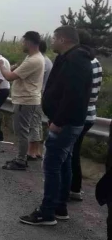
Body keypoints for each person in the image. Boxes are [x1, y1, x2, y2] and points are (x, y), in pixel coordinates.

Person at [19, 25, 93, 226]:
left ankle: (47, 212)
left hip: (65, 123)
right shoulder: (70, 57)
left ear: (63, 39)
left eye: (53, 38)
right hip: (65, 121)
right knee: (64, 163)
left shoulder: (76, 60)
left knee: (51, 166)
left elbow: (73, 95)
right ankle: (59, 207)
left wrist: (58, 121)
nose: (50, 41)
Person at [0, 31, 45, 171]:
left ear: (29, 42)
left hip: (25, 100)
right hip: (29, 99)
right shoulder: (32, 57)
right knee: (25, 130)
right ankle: (21, 157)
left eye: (23, 41)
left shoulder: (33, 60)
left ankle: (20, 161)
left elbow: (10, 77)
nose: (21, 44)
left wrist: (2, 66)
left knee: (21, 132)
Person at [70, 30, 102, 201]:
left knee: (71, 152)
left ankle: (73, 188)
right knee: (73, 151)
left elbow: (77, 92)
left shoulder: (84, 62)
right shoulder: (95, 61)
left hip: (80, 113)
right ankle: (74, 187)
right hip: (89, 113)